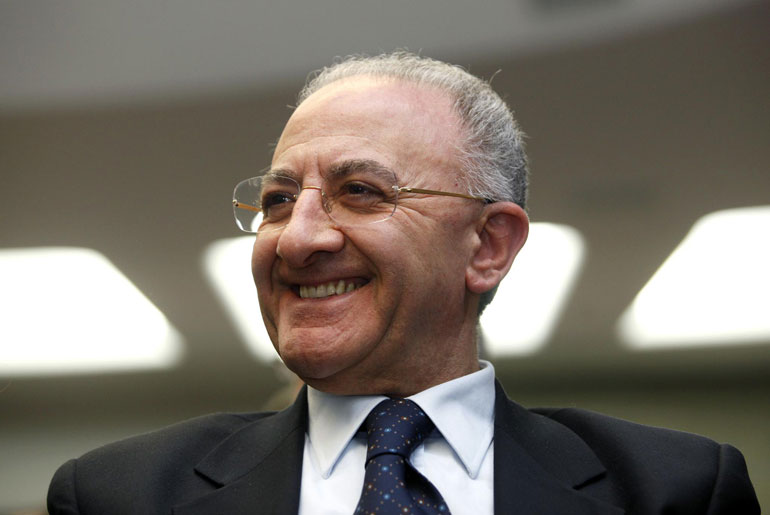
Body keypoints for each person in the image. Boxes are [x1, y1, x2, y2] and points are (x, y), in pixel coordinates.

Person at [47, 52, 759, 514]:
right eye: (278, 200)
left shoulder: (675, 490)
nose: (297, 237)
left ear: (488, 245)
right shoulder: (119, 495)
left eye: (359, 191)